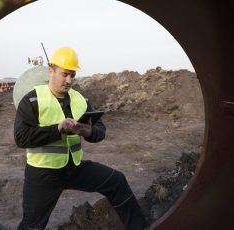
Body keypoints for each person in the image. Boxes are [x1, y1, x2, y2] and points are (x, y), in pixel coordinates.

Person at [14, 47, 149, 230]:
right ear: (51, 71)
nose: (69, 80)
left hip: (74, 168)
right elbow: (21, 138)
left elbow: (100, 130)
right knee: (32, 225)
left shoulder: (80, 100)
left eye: (73, 75)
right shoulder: (32, 100)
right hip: (43, 174)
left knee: (117, 181)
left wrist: (87, 132)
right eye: (64, 74)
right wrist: (58, 129)